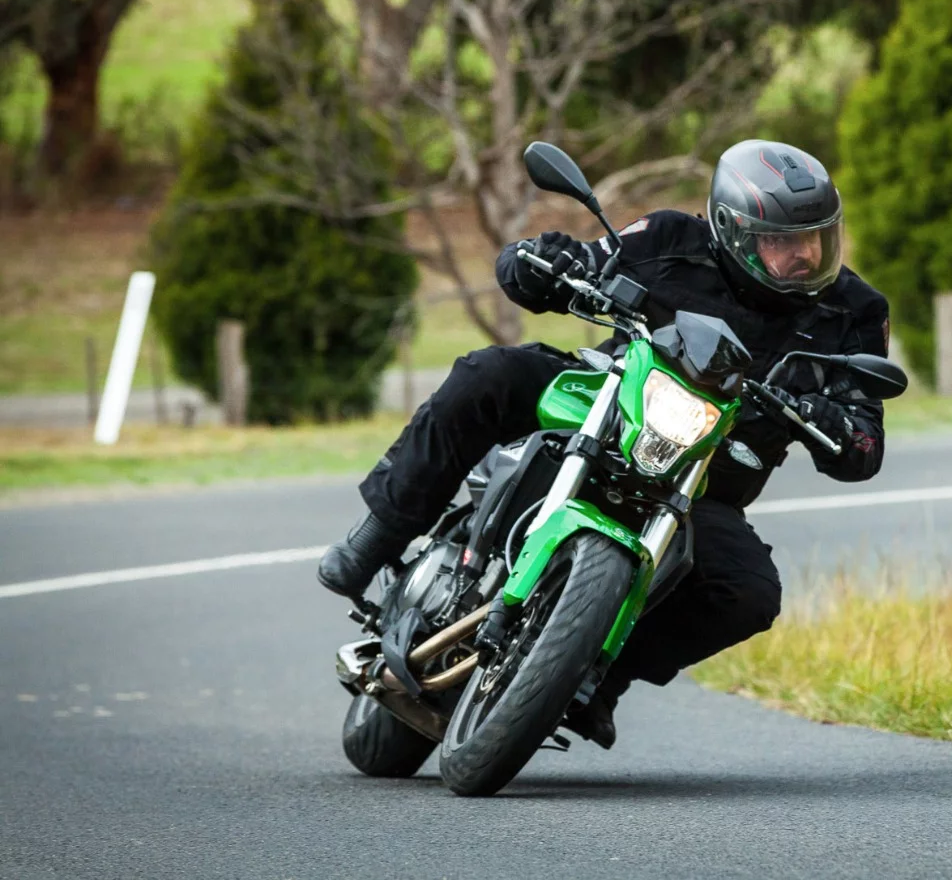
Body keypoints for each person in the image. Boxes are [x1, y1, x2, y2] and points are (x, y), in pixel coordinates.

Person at [317, 139, 891, 748]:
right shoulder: (672, 239)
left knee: (748, 594)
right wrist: (547, 261)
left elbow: (865, 442)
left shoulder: (853, 312)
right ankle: (380, 531)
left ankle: (595, 677)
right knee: (486, 377)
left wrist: (836, 421)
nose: (803, 256)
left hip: (701, 482)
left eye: (814, 239)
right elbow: (556, 267)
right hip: (602, 409)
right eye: (782, 242)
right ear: (731, 229)